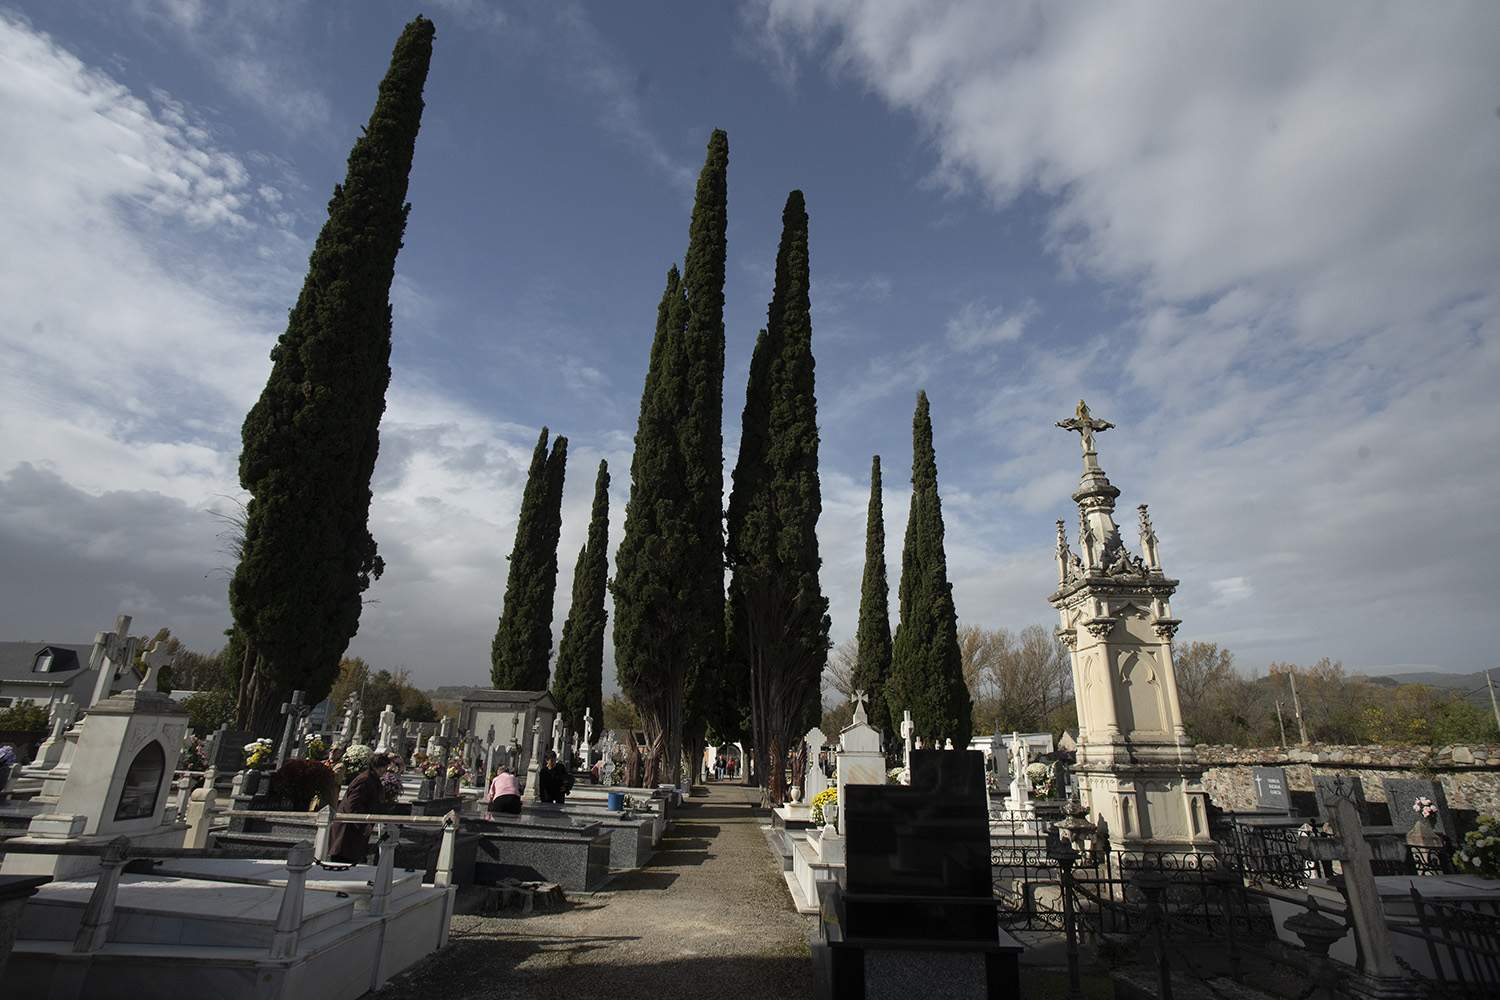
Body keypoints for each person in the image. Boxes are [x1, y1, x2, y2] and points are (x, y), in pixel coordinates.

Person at [329, 752, 391, 863]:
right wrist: (364, 824)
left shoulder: (372, 779)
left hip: (356, 830)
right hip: (348, 829)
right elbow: (353, 805)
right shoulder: (364, 780)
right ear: (377, 767)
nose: (385, 770)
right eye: (384, 767)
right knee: (343, 862)